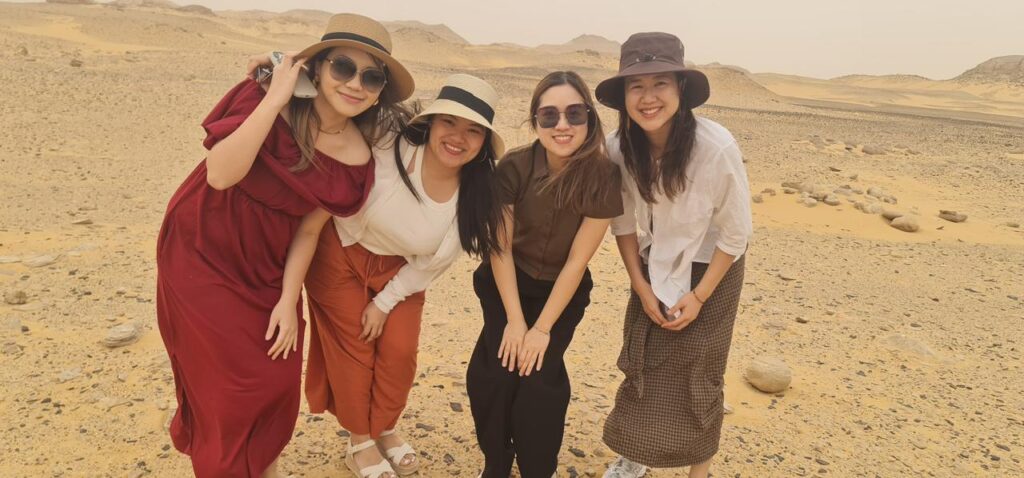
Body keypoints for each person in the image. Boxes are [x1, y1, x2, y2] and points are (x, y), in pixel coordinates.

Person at [155, 13, 413, 477]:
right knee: (227, 387)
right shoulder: (266, 97)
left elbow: (309, 231)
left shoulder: (358, 156)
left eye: (371, 77)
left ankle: (261, 463)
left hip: (267, 264)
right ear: (318, 68)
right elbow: (221, 175)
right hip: (201, 248)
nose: (355, 84)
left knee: (274, 380)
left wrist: (287, 300)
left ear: (380, 91)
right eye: (343, 67)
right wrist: (275, 98)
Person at [270, 73, 505, 478]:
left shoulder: (476, 194)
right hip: (339, 251)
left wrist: (384, 302)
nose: (458, 138)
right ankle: (360, 441)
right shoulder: (388, 141)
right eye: (449, 122)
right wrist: (279, 70)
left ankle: (384, 427)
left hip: (402, 270)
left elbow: (431, 264)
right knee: (355, 350)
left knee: (399, 353)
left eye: (473, 131)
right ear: (431, 122)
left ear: (483, 142)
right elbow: (330, 103)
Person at [594, 32, 753, 478]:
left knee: (701, 368)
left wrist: (699, 296)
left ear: (680, 89)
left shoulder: (715, 148)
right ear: (624, 95)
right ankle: (636, 455)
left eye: (660, 83)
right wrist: (640, 286)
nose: (648, 98)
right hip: (651, 260)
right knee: (643, 357)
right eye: (636, 86)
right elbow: (622, 223)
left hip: (714, 265)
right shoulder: (617, 148)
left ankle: (699, 469)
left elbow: (736, 234)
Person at [466, 71, 623, 478]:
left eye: (574, 114)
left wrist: (541, 329)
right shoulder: (514, 166)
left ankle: (538, 468)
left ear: (589, 118)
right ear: (535, 120)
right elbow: (500, 248)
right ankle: (496, 463)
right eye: (549, 115)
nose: (562, 125)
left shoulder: (604, 176)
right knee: (495, 374)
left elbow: (576, 262)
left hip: (561, 292)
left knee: (538, 381)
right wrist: (516, 321)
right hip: (507, 284)